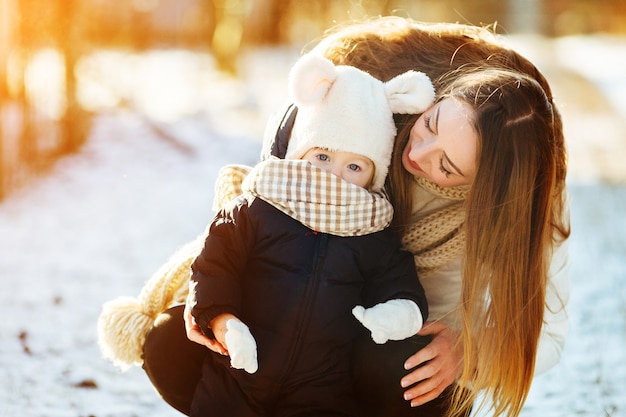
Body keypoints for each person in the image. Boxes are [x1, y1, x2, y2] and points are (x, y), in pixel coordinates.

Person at [97, 16, 570, 417]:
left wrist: (470, 351)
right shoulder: (379, 107)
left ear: (489, 192)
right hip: (295, 320)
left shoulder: (530, 205)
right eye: (429, 125)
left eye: (446, 166)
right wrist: (219, 310)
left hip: (391, 349)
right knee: (170, 344)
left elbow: (546, 337)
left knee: (401, 367)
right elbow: (263, 217)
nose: (418, 152)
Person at [186, 53, 432, 417]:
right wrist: (223, 320)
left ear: (373, 175)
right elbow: (216, 264)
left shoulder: (371, 231)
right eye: (322, 157)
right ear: (301, 149)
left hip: (321, 387)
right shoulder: (259, 208)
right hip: (236, 373)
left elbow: (397, 281)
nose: (335, 175)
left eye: (354, 166)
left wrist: (397, 312)